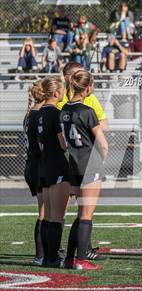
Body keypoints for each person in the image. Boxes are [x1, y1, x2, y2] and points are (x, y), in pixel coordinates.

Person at [57, 62, 108, 261]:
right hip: (89, 163)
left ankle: (70, 256)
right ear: (87, 88)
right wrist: (100, 159)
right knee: (86, 213)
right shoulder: (87, 110)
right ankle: (82, 256)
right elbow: (103, 144)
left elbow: (63, 143)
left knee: (80, 212)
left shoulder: (62, 111)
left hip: (74, 164)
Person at [37, 76, 69, 268]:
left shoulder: (39, 113)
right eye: (63, 90)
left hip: (45, 164)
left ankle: (47, 257)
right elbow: (63, 145)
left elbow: (40, 141)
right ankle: (53, 258)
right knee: (57, 217)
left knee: (48, 216)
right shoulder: (56, 113)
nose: (64, 92)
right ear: (56, 93)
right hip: (57, 165)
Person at [23, 80, 45, 266]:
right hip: (39, 165)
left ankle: (43, 253)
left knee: (45, 211)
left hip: (31, 164)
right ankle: (41, 255)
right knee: (45, 212)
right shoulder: (39, 115)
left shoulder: (29, 114)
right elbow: (42, 144)